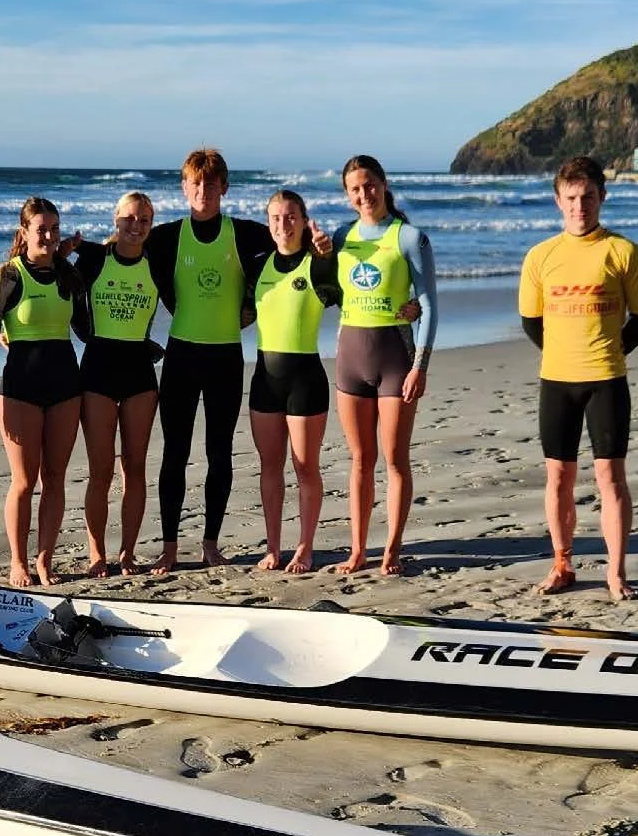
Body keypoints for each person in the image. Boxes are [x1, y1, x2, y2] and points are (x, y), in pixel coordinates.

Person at [144, 149, 330, 575]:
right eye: (195, 183)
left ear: (224, 187)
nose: (203, 191)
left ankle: (210, 543)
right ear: (184, 188)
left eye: (211, 184)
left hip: (226, 357)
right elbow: (124, 264)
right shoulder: (166, 237)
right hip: (181, 356)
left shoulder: (247, 234)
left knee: (219, 453)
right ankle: (170, 547)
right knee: (174, 453)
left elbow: (292, 247)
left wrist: (324, 248)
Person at [518, 156, 638, 602]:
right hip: (556, 381)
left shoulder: (624, 252)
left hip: (607, 381)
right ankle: (562, 563)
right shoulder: (541, 257)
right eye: (572, 198)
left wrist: (608, 352)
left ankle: (616, 573)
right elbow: (531, 322)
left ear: (602, 198)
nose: (581, 207)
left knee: (609, 477)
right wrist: (563, 353)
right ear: (558, 201)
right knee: (558, 476)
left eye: (589, 198)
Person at [0, 197, 91, 588]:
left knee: (55, 478)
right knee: (24, 480)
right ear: (24, 232)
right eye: (42, 229)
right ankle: (17, 562)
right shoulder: (6, 276)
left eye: (55, 228)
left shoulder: (69, 277)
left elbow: (87, 333)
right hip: (20, 390)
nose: (50, 236)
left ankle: (44, 560)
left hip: (66, 389)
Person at [330, 155, 438, 576]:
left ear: (383, 184)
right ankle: (357, 550)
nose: (364, 193)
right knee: (359, 460)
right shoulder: (341, 237)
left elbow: (428, 304)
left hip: (397, 360)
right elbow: (327, 289)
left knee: (394, 458)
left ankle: (391, 548)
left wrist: (420, 366)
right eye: (355, 188)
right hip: (350, 361)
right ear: (347, 195)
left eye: (370, 184)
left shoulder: (410, 237)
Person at [242, 190, 338, 573]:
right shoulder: (258, 268)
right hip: (265, 379)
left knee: (305, 467)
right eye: (277, 217)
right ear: (269, 223)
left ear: (304, 220)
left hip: (305, 382)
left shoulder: (316, 265)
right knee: (269, 466)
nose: (284, 224)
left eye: (291, 216)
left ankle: (305, 547)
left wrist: (327, 254)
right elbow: (238, 314)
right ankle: (274, 547)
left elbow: (353, 294)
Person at [72, 192, 161, 577]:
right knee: (101, 471)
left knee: (135, 468)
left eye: (144, 220)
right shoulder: (93, 259)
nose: (136, 226)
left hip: (140, 375)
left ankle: (126, 553)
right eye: (129, 218)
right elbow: (50, 278)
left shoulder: (158, 264)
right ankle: (97, 554)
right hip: (97, 372)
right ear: (116, 219)